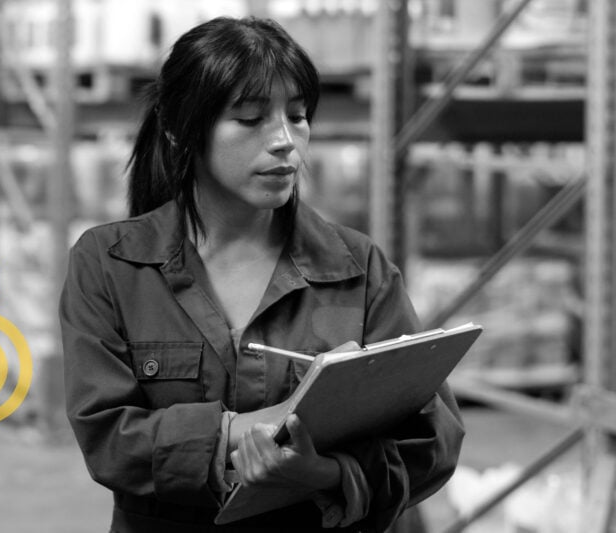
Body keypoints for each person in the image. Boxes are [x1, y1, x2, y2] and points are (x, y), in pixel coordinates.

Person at [59, 16, 464, 533]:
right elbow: (109, 437)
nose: (284, 141)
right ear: (181, 129)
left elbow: (433, 439)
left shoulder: (357, 269)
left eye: (297, 117)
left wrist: (324, 474)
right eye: (251, 119)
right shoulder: (111, 264)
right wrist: (240, 430)